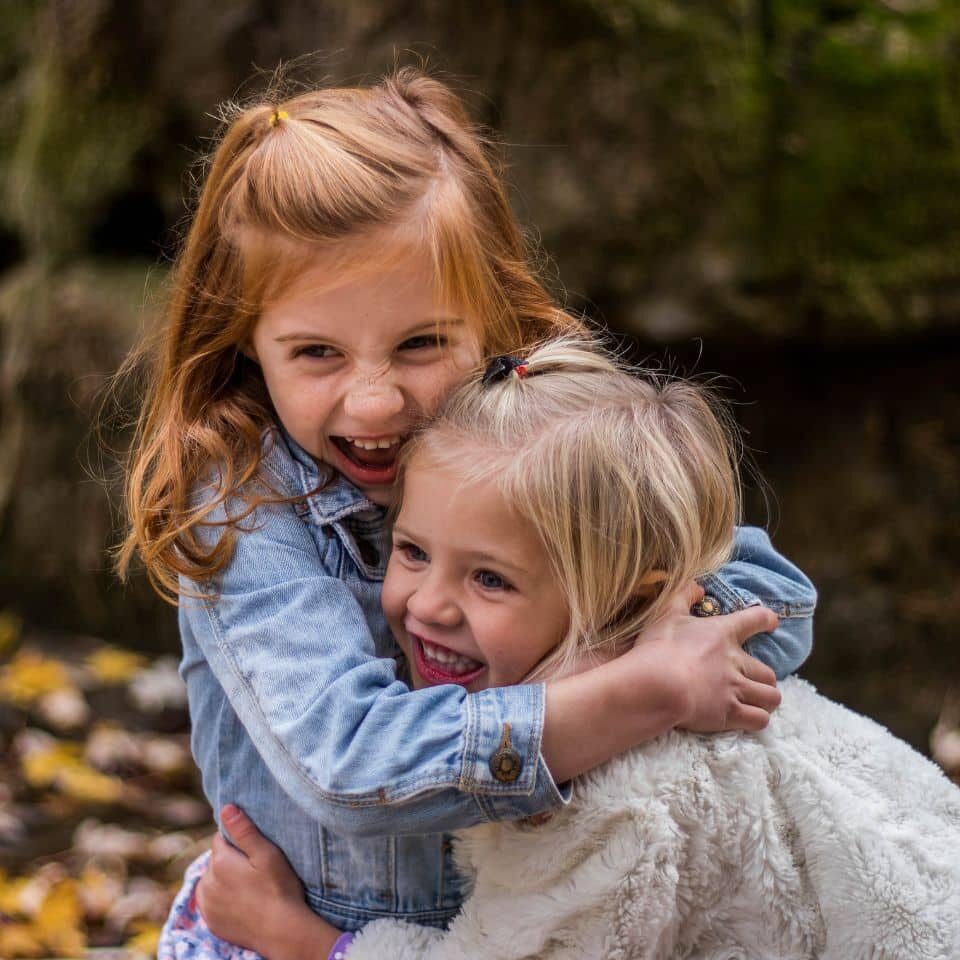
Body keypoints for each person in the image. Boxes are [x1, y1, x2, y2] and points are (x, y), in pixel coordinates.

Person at [116, 68, 815, 957]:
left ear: (489, 319)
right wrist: (636, 689)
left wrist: (636, 649)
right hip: (322, 934)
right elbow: (353, 763)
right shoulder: (245, 508)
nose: (373, 405)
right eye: (317, 353)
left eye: (420, 344)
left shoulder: (535, 444)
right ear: (245, 343)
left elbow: (772, 600)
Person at [199, 338, 960, 960]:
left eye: (491, 579)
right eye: (412, 551)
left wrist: (301, 941)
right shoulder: (670, 666)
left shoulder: (623, 798)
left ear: (630, 600)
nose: (427, 605)